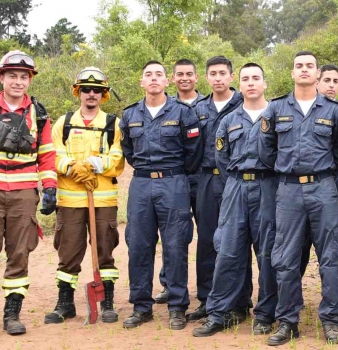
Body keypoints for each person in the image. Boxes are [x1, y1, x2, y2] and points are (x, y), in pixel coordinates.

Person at [261, 51, 338, 346]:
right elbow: (266, 151)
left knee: (331, 256)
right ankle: (288, 321)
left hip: (324, 189)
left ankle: (331, 320)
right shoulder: (275, 109)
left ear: (317, 74)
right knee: (286, 258)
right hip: (288, 190)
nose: (304, 70)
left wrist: (326, 172)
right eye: (299, 66)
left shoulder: (335, 110)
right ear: (292, 73)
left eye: (309, 66)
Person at [192, 62, 279, 337]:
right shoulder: (227, 121)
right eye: (246, 79)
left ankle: (265, 314)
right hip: (236, 187)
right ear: (239, 85)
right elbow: (223, 158)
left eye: (256, 78)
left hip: (268, 187)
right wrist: (239, 180)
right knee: (228, 251)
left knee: (267, 253)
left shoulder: (276, 115)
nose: (251, 83)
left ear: (264, 83)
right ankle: (220, 312)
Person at [119, 60, 203, 330]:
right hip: (141, 184)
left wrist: (174, 175)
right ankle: (141, 306)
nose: (153, 79)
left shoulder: (183, 113)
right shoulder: (130, 115)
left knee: (176, 246)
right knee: (139, 246)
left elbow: (193, 153)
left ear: (167, 82)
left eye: (159, 75)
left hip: (173, 183)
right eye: (148, 75)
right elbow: (129, 151)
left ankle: (177, 306)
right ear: (142, 82)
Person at [45, 67, 124, 325]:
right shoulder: (64, 123)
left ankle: (107, 303)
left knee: (104, 252)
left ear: (104, 95)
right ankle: (65, 304)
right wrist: (72, 167)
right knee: (67, 253)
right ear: (78, 92)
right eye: (87, 90)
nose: (92, 94)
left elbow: (117, 158)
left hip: (102, 201)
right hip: (70, 202)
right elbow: (52, 154)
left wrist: (91, 165)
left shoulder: (113, 124)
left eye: (97, 90)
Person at [0, 50, 57, 335]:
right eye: (12, 76)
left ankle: (12, 314)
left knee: (19, 253)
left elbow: (46, 154)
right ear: (2, 78)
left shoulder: (39, 113)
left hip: (23, 193)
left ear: (30, 80)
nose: (18, 81)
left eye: (24, 77)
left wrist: (50, 188)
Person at [186, 56, 245, 323]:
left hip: (236, 180)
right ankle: (207, 300)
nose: (218, 77)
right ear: (207, 78)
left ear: (231, 77)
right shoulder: (197, 108)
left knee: (239, 240)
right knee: (208, 240)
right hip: (207, 180)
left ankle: (240, 302)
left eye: (223, 73)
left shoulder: (244, 104)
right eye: (213, 73)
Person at [299, 64, 338, 277]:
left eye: (336, 81)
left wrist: (332, 170)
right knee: (300, 239)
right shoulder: (299, 110)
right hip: (304, 184)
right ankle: (293, 294)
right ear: (316, 81)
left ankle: (334, 292)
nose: (331, 85)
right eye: (327, 80)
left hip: (337, 182)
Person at [155, 58, 204, 306]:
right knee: (174, 234)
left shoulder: (208, 105)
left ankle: (208, 287)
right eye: (179, 74)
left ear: (197, 77)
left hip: (203, 179)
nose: (185, 78)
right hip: (174, 179)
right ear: (172, 79)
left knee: (208, 234)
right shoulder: (165, 104)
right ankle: (169, 284)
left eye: (189, 74)